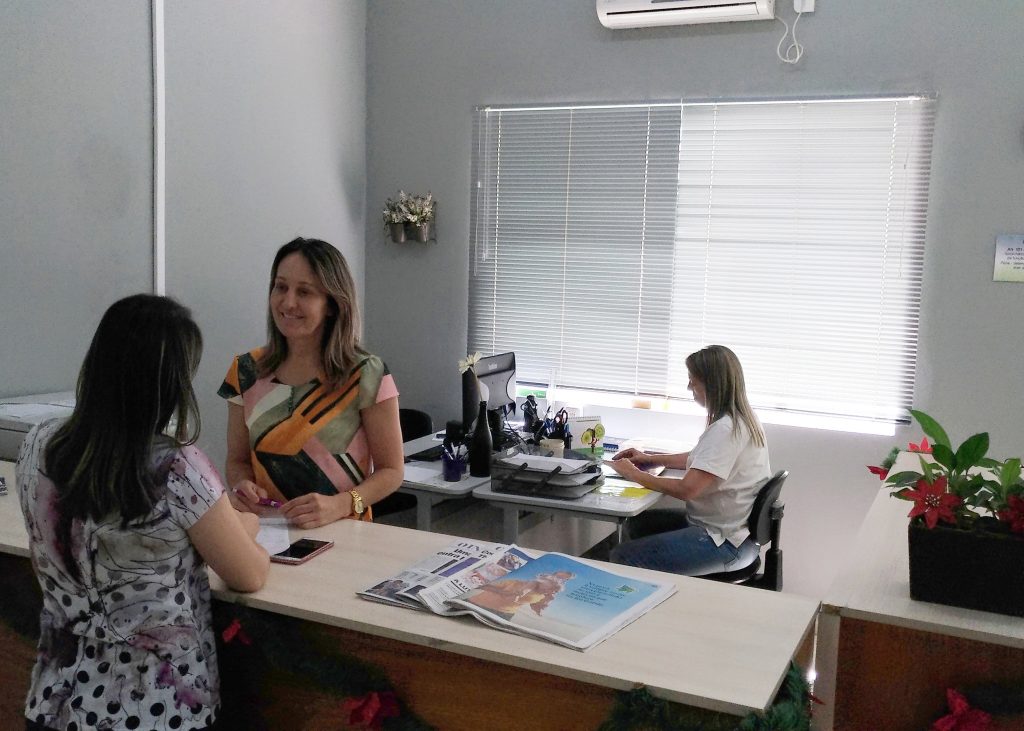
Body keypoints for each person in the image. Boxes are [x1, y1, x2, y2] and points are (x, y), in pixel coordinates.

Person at [16, 294, 270, 731]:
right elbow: (248, 574)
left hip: (54, 702)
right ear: (169, 384)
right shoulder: (177, 467)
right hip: (154, 709)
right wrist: (246, 523)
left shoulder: (40, 443)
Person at [220, 237, 404, 528]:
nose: (288, 302)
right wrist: (241, 484)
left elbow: (392, 471)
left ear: (332, 304)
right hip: (266, 533)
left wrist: (342, 503)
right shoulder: (245, 371)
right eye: (281, 287)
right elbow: (237, 461)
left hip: (345, 533)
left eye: (304, 292)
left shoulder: (367, 373)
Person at [607, 344, 770, 576]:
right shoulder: (743, 419)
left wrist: (633, 474)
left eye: (693, 381)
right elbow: (703, 459)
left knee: (622, 556)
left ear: (712, 384)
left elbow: (687, 489)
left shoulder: (725, 430)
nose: (689, 387)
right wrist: (651, 459)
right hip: (734, 533)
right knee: (634, 524)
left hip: (725, 543)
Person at [464, 570, 575, 621]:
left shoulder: (544, 595)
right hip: (476, 603)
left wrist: (539, 609)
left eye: (564, 580)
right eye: (557, 577)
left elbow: (535, 605)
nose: (548, 592)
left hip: (504, 614)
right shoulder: (514, 583)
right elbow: (483, 586)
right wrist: (506, 593)